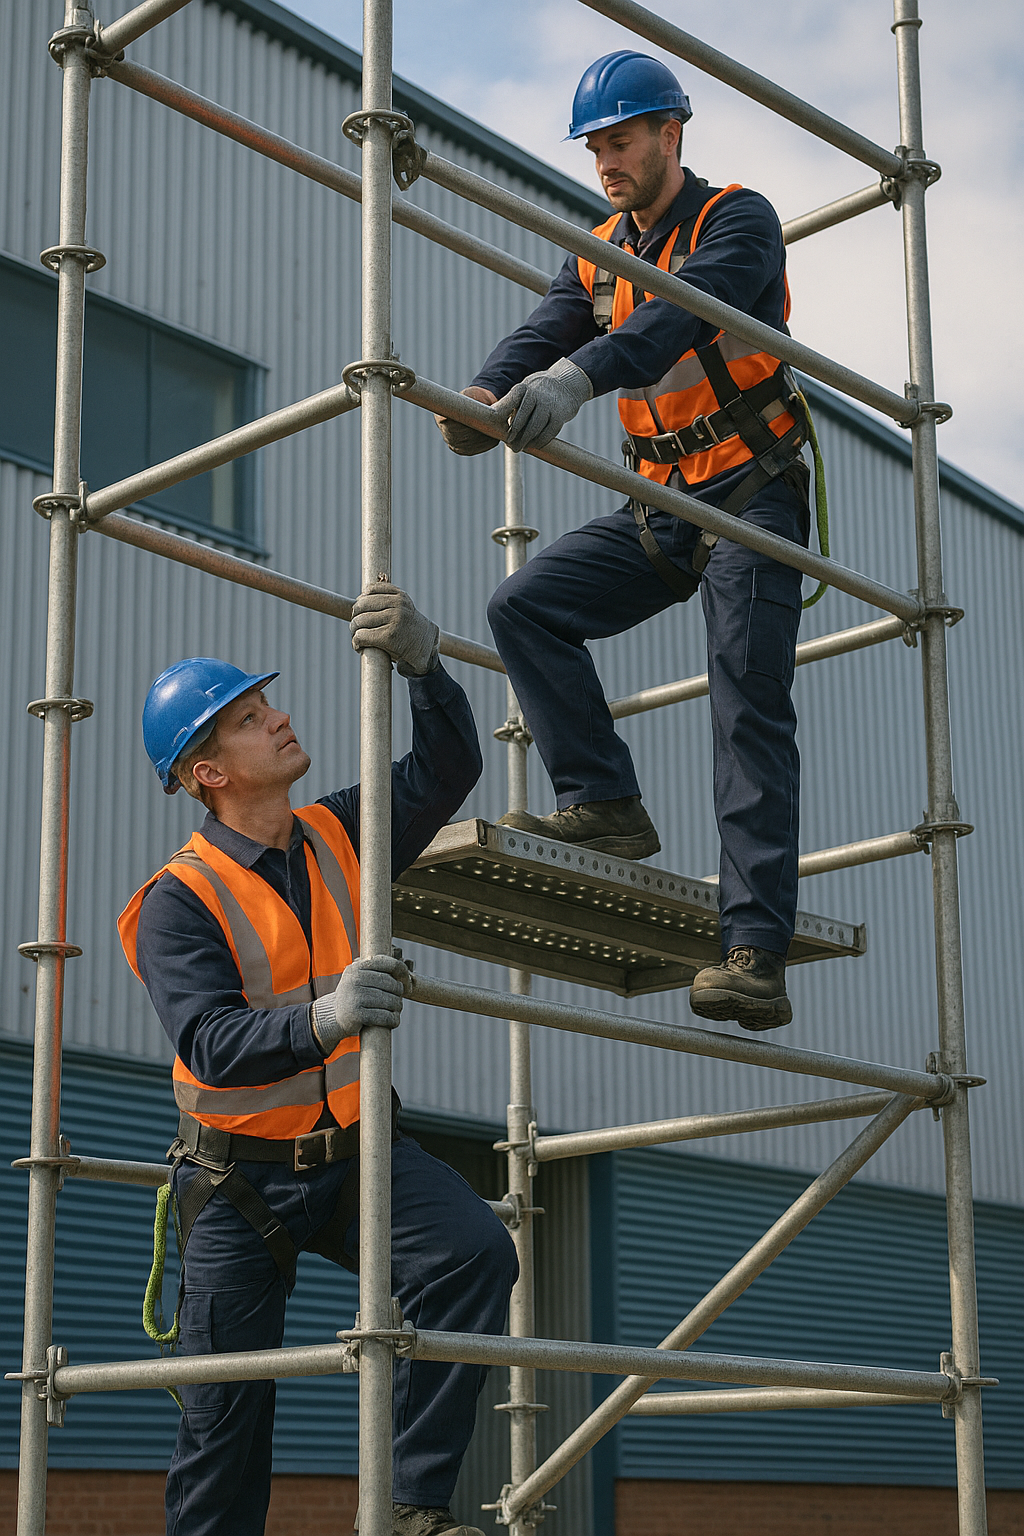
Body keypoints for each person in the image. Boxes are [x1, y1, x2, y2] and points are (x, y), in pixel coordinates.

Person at [117, 584, 517, 1536]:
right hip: (238, 1180)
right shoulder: (178, 900)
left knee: (473, 1255)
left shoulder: (340, 830)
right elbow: (211, 1043)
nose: (281, 718)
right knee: (226, 1421)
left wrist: (428, 664)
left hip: (356, 1155)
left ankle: (413, 1506)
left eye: (268, 705)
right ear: (208, 774)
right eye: (253, 721)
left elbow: (449, 764)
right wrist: (326, 1018)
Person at [435, 51, 812, 1032]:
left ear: (668, 135)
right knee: (525, 604)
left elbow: (677, 316)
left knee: (743, 688)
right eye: (594, 146)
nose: (606, 160)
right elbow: (547, 329)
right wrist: (483, 395)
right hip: (662, 503)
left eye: (620, 140)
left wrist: (571, 387)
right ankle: (605, 803)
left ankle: (752, 951)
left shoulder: (738, 218)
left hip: (752, 490)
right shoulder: (597, 247)